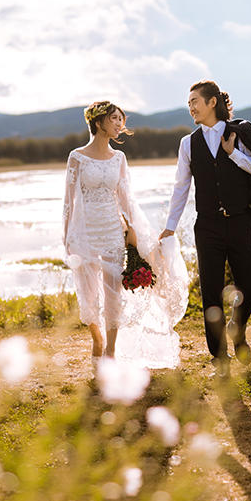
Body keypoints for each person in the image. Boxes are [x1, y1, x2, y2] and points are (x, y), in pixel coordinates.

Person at [63, 101, 188, 371]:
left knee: (113, 292)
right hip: (84, 232)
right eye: (115, 119)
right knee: (88, 291)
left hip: (111, 229)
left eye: (121, 119)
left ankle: (110, 351)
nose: (120, 124)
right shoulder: (77, 157)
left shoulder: (119, 158)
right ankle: (96, 337)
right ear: (99, 123)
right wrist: (67, 237)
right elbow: (69, 202)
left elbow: (126, 197)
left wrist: (134, 229)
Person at [160, 81, 251, 374]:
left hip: (240, 222)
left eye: (195, 101)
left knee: (248, 285)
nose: (191, 108)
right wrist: (170, 226)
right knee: (210, 292)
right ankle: (219, 357)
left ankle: (238, 327)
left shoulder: (240, 133)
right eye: (188, 104)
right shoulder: (188, 143)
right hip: (207, 226)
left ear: (212, 102)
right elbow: (181, 187)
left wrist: (233, 153)